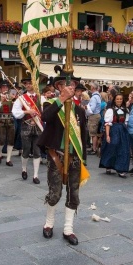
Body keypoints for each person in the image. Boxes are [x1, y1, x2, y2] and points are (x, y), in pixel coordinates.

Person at [37, 72, 87, 246]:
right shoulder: (51, 104)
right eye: (68, 85)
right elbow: (45, 117)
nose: (72, 88)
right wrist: (61, 100)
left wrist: (84, 158)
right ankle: (49, 224)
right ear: (59, 87)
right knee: (55, 193)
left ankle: (68, 228)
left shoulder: (79, 110)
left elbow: (84, 136)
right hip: (56, 156)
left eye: (73, 85)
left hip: (75, 158)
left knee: (74, 195)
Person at [12, 77, 43, 184]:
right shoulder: (22, 98)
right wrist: (26, 112)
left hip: (38, 127)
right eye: (26, 84)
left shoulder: (41, 98)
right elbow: (15, 112)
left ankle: (35, 175)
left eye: (30, 83)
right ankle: (24, 169)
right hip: (26, 126)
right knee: (26, 149)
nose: (28, 85)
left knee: (37, 151)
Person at [99, 93, 130, 177]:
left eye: (120, 99)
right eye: (117, 99)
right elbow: (107, 124)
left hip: (123, 131)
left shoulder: (125, 110)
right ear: (114, 100)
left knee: (123, 150)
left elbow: (126, 122)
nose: (119, 100)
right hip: (114, 130)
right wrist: (108, 135)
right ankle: (108, 165)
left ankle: (121, 168)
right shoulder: (110, 110)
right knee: (112, 148)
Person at [0, 79, 15, 167]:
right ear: (0, 88)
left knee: (11, 140)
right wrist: (1, 101)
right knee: (1, 139)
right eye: (3, 87)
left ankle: (8, 159)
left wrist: (14, 100)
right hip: (0, 119)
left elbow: (16, 108)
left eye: (6, 87)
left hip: (10, 119)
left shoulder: (12, 96)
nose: (5, 89)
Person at [85, 82, 101, 155]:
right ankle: (94, 148)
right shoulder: (97, 96)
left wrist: (86, 108)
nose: (90, 87)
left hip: (94, 116)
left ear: (93, 88)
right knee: (93, 133)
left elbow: (92, 108)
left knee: (93, 133)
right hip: (96, 115)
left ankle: (94, 148)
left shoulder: (94, 97)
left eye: (91, 86)